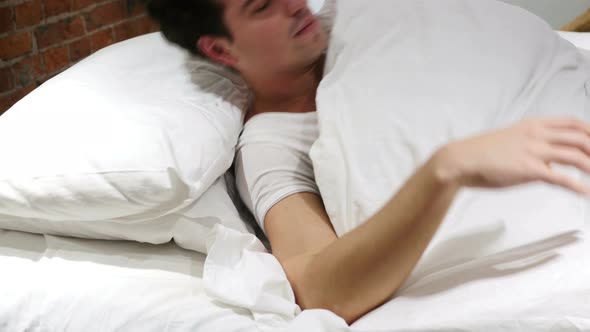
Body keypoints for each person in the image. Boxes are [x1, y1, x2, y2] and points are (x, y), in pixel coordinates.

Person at [147, 0, 590, 325]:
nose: (295, 5)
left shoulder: (369, 15)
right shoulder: (270, 145)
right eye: (263, 7)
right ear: (222, 51)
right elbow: (321, 287)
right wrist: (444, 171)